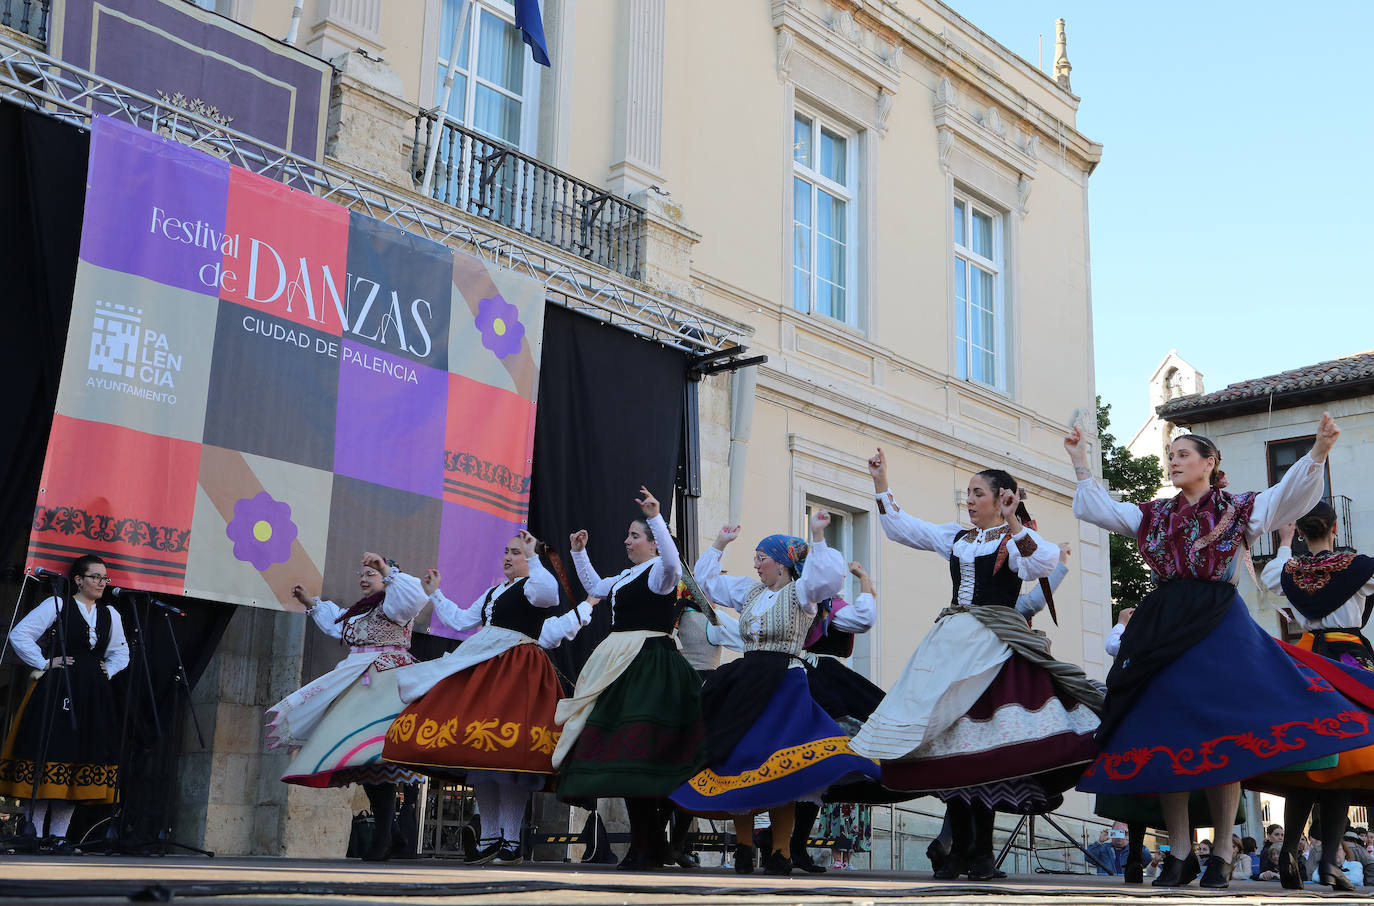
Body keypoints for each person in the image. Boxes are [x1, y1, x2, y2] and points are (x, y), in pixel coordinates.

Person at [1066, 415, 1374, 888]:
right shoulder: (1154, 514)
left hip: (1215, 621)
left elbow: (1287, 497)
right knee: (1165, 730)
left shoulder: (1239, 509)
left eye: (1184, 454)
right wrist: (1080, 460)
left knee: (1222, 727)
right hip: (1164, 621)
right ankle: (1181, 852)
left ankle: (1224, 851)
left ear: (1210, 463)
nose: (1173, 462)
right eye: (1170, 456)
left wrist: (1317, 453)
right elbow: (1102, 511)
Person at [851, 448, 1103, 881]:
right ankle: (961, 848)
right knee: (951, 744)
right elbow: (902, 528)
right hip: (950, 645)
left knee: (981, 745)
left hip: (994, 645)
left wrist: (1015, 522)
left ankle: (980, 851)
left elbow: (1039, 563)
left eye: (977, 492)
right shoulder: (956, 537)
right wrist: (881, 482)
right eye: (968, 493)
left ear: (1001, 497)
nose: (968, 500)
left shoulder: (1014, 538)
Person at [671, 510, 881, 876]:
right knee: (740, 759)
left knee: (783, 763)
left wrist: (817, 537)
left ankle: (781, 851)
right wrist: (719, 543)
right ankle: (745, 847)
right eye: (755, 558)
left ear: (782, 564)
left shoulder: (802, 594)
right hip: (748, 680)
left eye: (761, 559)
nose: (756, 565)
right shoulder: (750, 592)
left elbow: (826, 577)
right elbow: (706, 584)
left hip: (784, 681)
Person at [381, 531, 594, 865]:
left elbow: (550, 593)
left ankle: (511, 840)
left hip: (518, 673)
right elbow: (462, 620)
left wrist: (535, 555)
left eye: (516, 552)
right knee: (481, 753)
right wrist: (435, 594)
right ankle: (490, 838)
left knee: (509, 755)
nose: (508, 557)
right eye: (506, 552)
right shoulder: (495, 591)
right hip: (484, 670)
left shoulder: (535, 588)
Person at [553, 487, 707, 870]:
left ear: (653, 544)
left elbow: (674, 562)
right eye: (629, 534)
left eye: (634, 535)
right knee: (626, 755)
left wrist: (656, 516)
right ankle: (648, 843)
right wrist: (577, 552)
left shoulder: (660, 572)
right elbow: (593, 588)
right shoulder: (625, 577)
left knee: (645, 754)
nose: (627, 540)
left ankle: (651, 844)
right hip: (622, 662)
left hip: (649, 664)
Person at [264, 552, 427, 861]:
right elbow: (337, 625)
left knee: (377, 757)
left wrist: (387, 570)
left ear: (387, 577)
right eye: (362, 573)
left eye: (371, 573)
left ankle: (384, 838)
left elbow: (416, 596)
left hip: (387, 683)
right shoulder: (361, 612)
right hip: (359, 683)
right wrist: (310, 603)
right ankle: (391, 834)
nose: (364, 578)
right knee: (361, 759)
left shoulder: (396, 604)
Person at [1257, 503, 1374, 890]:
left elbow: (1273, 573)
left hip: (1307, 663)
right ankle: (1328, 864)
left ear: (1302, 532)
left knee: (1305, 755)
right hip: (1349, 661)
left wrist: (1286, 543)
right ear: (1336, 529)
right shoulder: (1359, 568)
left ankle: (1290, 849)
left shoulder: (1287, 570)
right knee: (1346, 760)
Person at [0, 556, 128, 850]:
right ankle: (33, 833)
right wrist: (45, 662)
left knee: (78, 758)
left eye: (104, 578)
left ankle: (59, 836)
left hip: (92, 695)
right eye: (95, 577)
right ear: (79, 580)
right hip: (58, 689)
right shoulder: (57, 605)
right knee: (50, 753)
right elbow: (20, 634)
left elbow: (122, 652)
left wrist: (109, 669)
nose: (101, 583)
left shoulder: (111, 614)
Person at [1087, 822, 1152, 876]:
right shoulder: (1103, 848)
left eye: (1123, 833)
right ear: (1111, 832)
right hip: (1107, 885)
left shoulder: (1134, 849)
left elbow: (1148, 860)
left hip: (1128, 885)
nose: (1119, 836)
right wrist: (1100, 842)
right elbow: (1088, 858)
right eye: (1117, 832)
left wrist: (1134, 840)